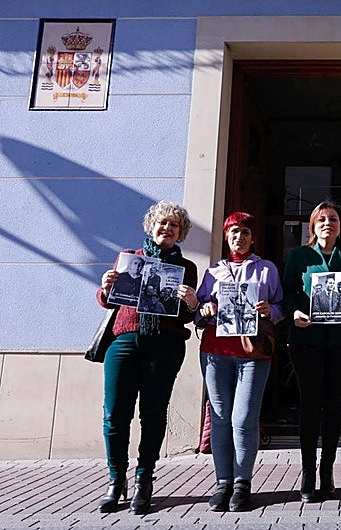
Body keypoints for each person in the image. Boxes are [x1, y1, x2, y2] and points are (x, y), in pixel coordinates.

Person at [96, 200, 199, 515]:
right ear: (151, 225)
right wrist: (105, 287)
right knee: (115, 414)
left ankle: (144, 478)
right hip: (124, 341)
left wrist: (192, 303)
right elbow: (107, 301)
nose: (167, 228)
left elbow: (185, 316)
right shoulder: (130, 257)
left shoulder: (187, 268)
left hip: (165, 346)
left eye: (174, 225)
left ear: (180, 233)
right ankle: (116, 479)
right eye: (162, 222)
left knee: (153, 415)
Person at [195, 212, 284, 512]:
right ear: (226, 237)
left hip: (253, 353)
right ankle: (223, 482)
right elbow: (198, 310)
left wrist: (270, 310)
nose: (239, 237)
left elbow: (281, 306)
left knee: (244, 418)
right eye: (234, 232)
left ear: (252, 237)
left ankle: (242, 483)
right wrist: (205, 309)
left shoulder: (267, 269)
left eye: (245, 232)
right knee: (220, 417)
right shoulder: (213, 272)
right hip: (215, 352)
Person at [282, 200, 341, 502]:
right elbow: (286, 293)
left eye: (333, 219)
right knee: (309, 406)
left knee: (333, 407)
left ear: (340, 226)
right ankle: (307, 472)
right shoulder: (298, 256)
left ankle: (327, 470)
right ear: (313, 226)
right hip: (306, 340)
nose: (328, 223)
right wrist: (294, 313)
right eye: (322, 219)